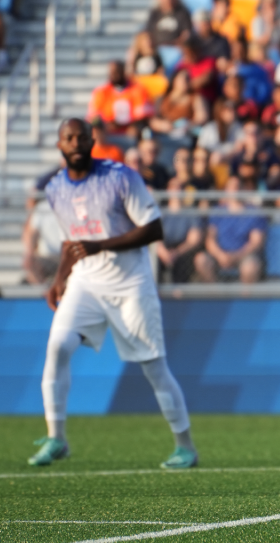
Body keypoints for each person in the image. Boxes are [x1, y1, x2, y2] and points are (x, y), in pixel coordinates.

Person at [29, 118, 198, 469]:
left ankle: (185, 447)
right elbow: (71, 241)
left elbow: (154, 229)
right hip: (85, 283)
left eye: (81, 137)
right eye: (68, 138)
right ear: (60, 145)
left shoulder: (121, 177)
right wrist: (60, 278)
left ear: (93, 141)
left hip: (130, 283)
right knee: (57, 347)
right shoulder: (55, 188)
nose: (75, 143)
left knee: (154, 368)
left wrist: (100, 245)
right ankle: (56, 438)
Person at [194, 183, 267, 283]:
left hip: (244, 257)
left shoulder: (254, 212)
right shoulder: (217, 211)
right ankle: (215, 294)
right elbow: (210, 239)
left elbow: (256, 243)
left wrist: (235, 257)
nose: (235, 191)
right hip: (219, 256)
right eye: (232, 187)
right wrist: (220, 255)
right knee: (201, 260)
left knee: (251, 267)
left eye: (238, 187)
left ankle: (246, 297)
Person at [87, 61, 155, 136]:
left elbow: (144, 114)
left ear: (124, 72)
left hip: (132, 131)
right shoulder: (101, 91)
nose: (115, 75)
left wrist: (132, 124)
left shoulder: (137, 89)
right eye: (112, 72)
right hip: (107, 132)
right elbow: (93, 115)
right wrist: (106, 124)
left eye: (117, 71)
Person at [157, 183, 203, 283]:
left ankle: (179, 293)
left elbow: (194, 239)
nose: (177, 191)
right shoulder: (159, 212)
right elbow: (152, 237)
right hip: (163, 249)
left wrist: (176, 253)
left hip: (182, 250)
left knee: (186, 260)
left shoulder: (191, 212)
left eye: (180, 188)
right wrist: (163, 252)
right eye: (173, 188)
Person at [22, 197, 65, 285]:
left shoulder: (41, 208)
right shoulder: (42, 208)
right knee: (29, 263)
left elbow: (31, 232)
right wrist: (30, 254)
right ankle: (44, 293)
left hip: (67, 257)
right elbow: (32, 233)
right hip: (48, 258)